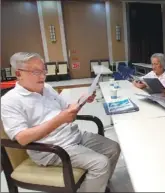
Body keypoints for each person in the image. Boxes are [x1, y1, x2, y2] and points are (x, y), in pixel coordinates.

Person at [1, 52, 121, 192]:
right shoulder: (9, 101)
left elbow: (67, 110)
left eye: (43, 70)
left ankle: (97, 186)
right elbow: (22, 138)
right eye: (35, 72)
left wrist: (81, 101)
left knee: (113, 148)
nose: (42, 76)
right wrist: (59, 120)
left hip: (72, 136)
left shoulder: (47, 89)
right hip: (51, 149)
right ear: (18, 73)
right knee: (101, 164)